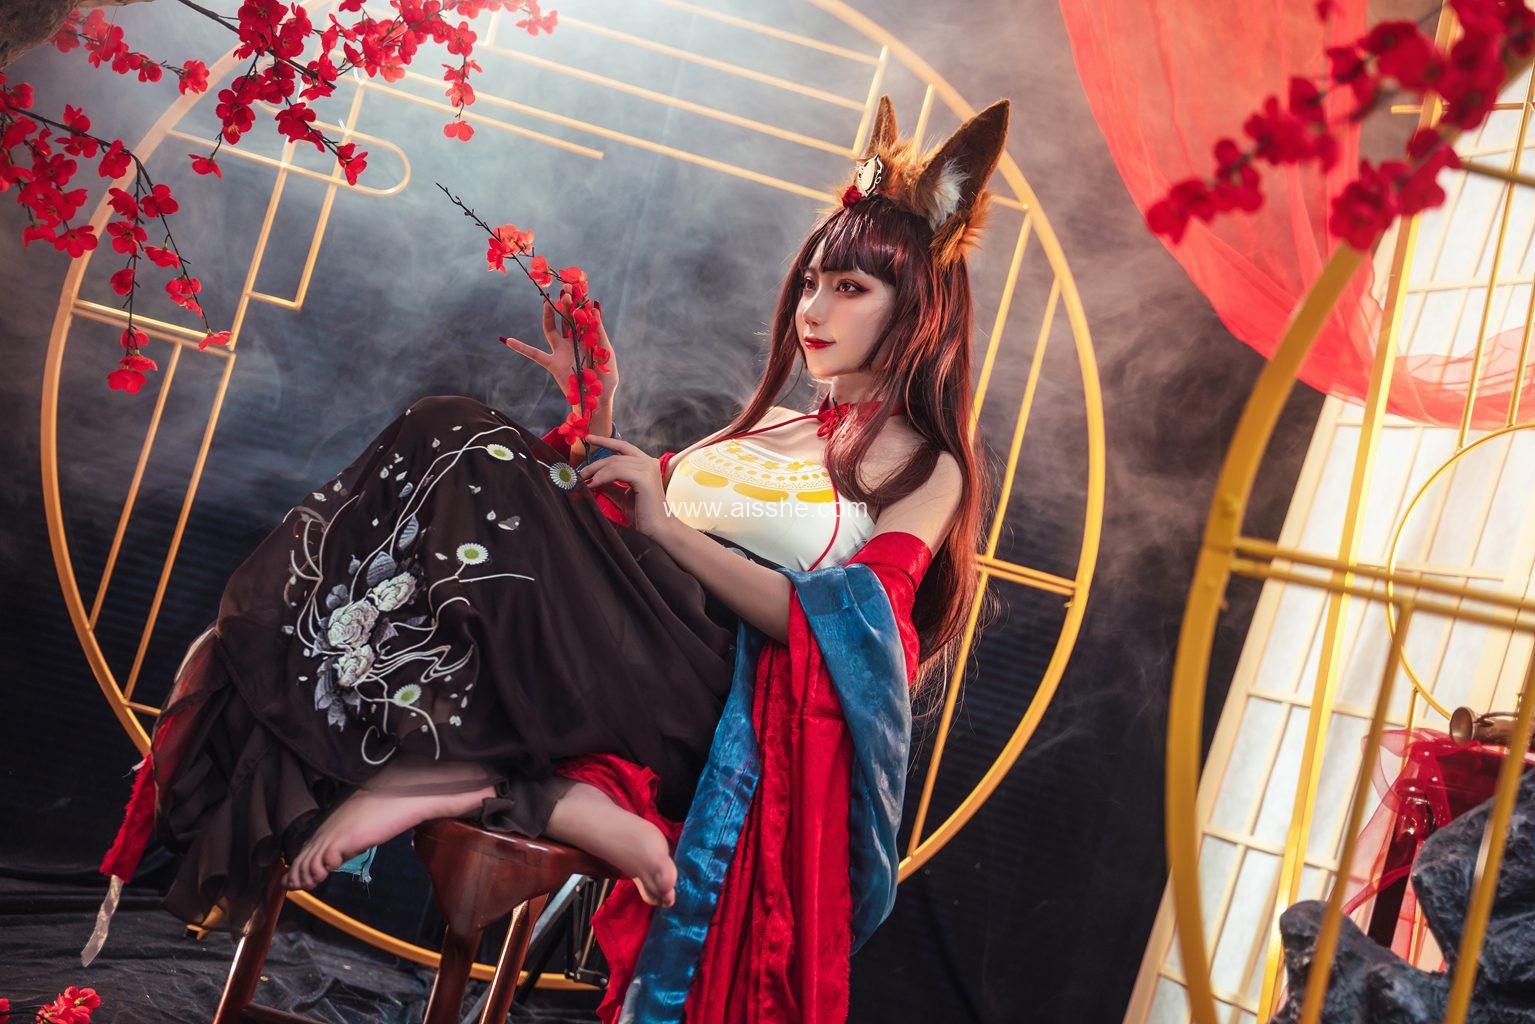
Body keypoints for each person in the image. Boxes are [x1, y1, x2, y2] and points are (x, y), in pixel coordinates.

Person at [95, 95, 1009, 1022]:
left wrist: (670, 530)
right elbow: (608, 533)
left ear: (918, 306)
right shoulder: (767, 425)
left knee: (460, 440)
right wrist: (594, 412)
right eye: (811, 281)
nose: (812, 308)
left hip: (717, 701)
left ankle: (478, 769)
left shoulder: (925, 466)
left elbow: (861, 638)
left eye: (849, 289)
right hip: (624, 649)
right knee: (448, 434)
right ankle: (499, 774)